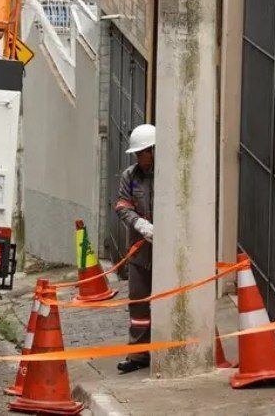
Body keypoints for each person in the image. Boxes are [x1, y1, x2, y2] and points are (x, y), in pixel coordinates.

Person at [113, 123, 155, 374]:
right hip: (140, 252)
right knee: (138, 303)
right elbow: (121, 205)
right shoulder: (130, 176)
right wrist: (139, 223)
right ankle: (138, 353)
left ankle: (164, 347)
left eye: (143, 153)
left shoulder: (167, 174)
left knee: (164, 301)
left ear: (153, 150)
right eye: (137, 154)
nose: (140, 158)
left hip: (163, 252)